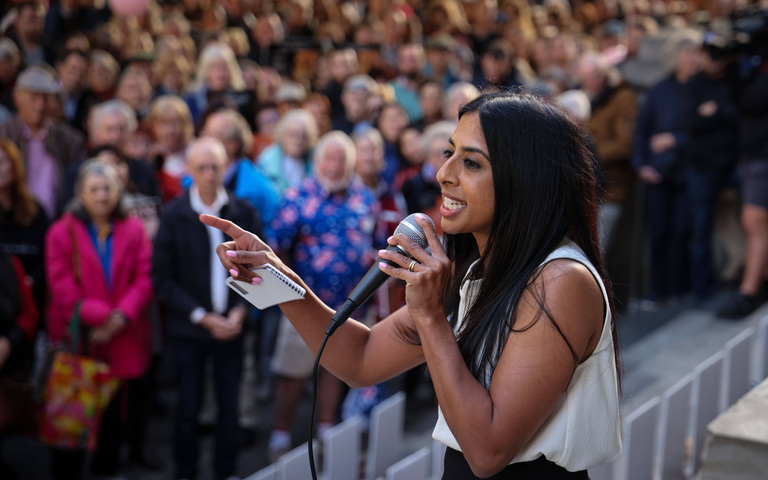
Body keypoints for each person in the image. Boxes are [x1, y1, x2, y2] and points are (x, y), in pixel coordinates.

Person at [202, 93, 621, 478]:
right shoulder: (474, 270)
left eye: (471, 163)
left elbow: (488, 451)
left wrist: (429, 316)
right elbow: (360, 359)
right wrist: (276, 278)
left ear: (526, 179)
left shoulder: (561, 281)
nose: (444, 174)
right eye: (448, 153)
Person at [152, 137, 262, 480]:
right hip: (191, 329)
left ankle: (225, 471)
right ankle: (186, 471)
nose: (210, 174)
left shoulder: (243, 212)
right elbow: (163, 279)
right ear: (190, 170)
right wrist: (203, 317)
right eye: (202, 167)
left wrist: (239, 313)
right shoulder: (175, 215)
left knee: (229, 407)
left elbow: (259, 269)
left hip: (232, 323)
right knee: (189, 406)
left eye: (216, 166)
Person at [265, 131, 379, 462]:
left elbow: (372, 241)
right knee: (293, 372)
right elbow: (276, 247)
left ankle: (327, 427)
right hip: (304, 304)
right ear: (317, 163)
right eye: (328, 159)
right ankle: (280, 433)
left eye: (341, 160)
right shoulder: (297, 196)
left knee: (336, 369)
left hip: (351, 305)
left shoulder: (364, 197)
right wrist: (289, 290)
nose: (334, 166)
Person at [46, 159, 155, 480]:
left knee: (112, 417)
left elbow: (145, 277)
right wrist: (108, 317)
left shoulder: (133, 229)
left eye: (108, 188)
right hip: (82, 338)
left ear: (118, 191)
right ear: (81, 193)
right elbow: (62, 287)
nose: (102, 195)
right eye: (94, 189)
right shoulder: (61, 231)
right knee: (72, 418)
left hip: (124, 334)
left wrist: (122, 316)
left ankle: (106, 470)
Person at [0, 65, 85, 220]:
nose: (40, 105)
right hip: (12, 224)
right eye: (33, 98)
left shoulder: (69, 139)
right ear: (16, 98)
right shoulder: (4, 136)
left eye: (46, 98)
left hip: (58, 221)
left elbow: (79, 184)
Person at [0, 138, 49, 315]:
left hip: (32, 299)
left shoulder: (35, 211)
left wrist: (30, 280)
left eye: (2, 162)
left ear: (15, 166)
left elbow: (49, 257)